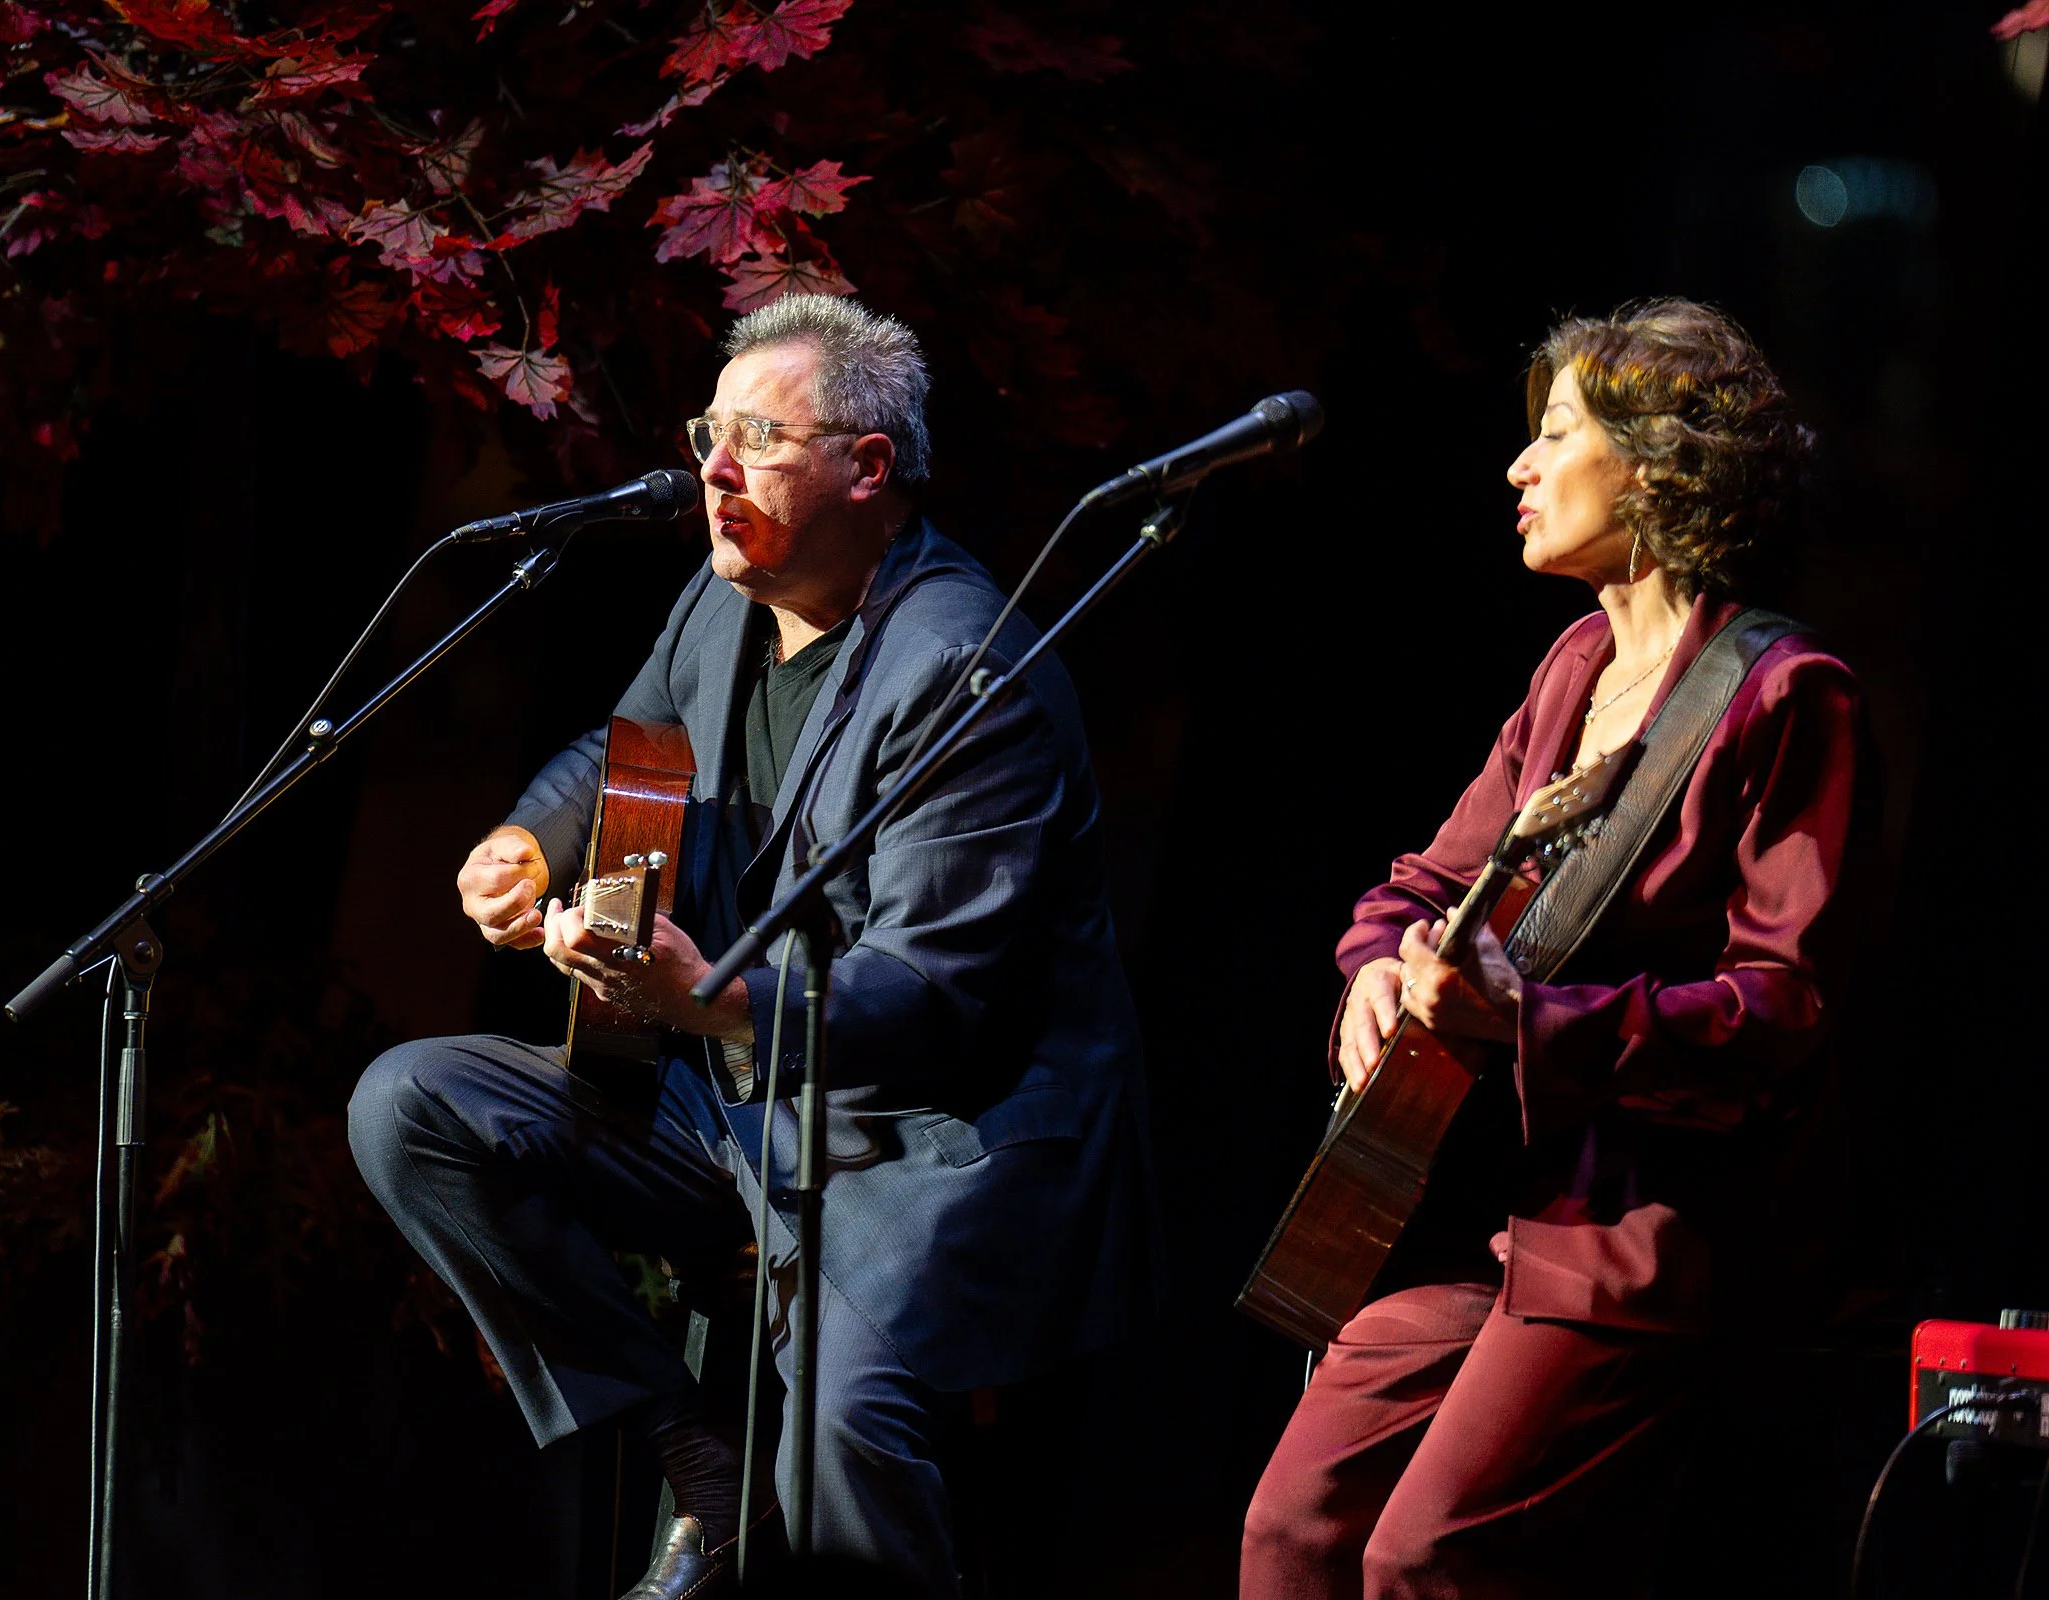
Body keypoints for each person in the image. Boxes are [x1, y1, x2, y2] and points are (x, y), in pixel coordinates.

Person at [348, 294, 1158, 1599]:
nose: (713, 471)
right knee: (415, 1106)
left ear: (868, 467)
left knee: (845, 1427)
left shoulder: (963, 674)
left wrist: (714, 1004)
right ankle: (696, 1459)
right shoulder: (725, 601)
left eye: (758, 437)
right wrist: (528, 841)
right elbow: (630, 751)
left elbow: (935, 1005)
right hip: (738, 1105)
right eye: (708, 434)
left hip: (931, 1138)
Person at [1239, 299, 1869, 1598]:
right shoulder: (1576, 664)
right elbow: (1419, 889)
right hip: (1463, 1197)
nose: (1520, 468)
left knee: (1425, 1560)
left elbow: (1786, 1008)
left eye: (1559, 435)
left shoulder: (1786, 694)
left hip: (1617, 1237)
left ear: (1657, 465)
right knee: (1291, 1531)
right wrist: (1375, 973)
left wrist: (1527, 1021)